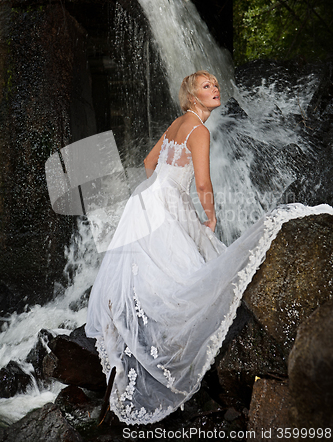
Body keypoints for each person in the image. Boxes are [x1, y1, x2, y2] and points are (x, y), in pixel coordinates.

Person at [85, 70, 333, 425]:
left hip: (145, 201)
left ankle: (138, 349)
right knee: (182, 282)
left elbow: (149, 164)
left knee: (155, 278)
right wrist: (210, 218)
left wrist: (164, 189)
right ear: (192, 96)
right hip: (165, 205)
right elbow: (203, 182)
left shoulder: (176, 124)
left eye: (215, 85)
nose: (215, 89)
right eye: (206, 86)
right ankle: (170, 360)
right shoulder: (199, 130)